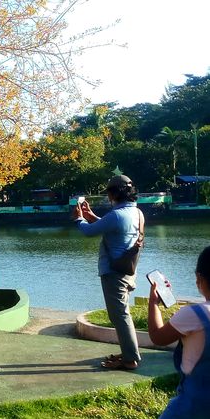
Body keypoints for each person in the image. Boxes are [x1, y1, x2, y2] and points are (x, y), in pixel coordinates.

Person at [73, 174, 143, 370]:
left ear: (114, 194)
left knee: (119, 316)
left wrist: (79, 219)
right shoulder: (136, 213)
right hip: (128, 269)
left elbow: (89, 231)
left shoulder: (117, 215)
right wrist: (92, 216)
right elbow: (111, 226)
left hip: (114, 274)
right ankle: (129, 353)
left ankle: (130, 359)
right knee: (122, 314)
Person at [148, 246, 210, 418]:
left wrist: (153, 303)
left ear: (199, 278)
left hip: (194, 404)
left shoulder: (193, 315)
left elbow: (157, 336)